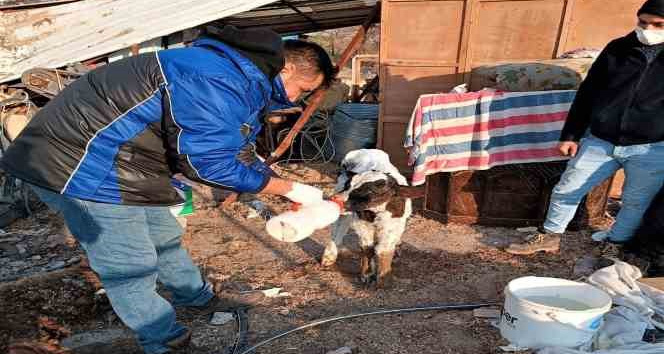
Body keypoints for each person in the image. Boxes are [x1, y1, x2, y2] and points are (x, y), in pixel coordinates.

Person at [0, 26, 334, 353]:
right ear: (286, 67)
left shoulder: (239, 80)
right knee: (130, 264)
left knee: (163, 235)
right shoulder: (216, 78)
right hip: (81, 165)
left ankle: (196, 296)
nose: (296, 99)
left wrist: (277, 183)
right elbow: (207, 164)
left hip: (129, 161)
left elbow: (238, 147)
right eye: (302, 89)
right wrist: (288, 187)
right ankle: (163, 340)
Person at [506, 0, 664, 255]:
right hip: (601, 139)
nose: (647, 29)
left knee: (635, 202)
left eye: (658, 25)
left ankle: (616, 244)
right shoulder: (618, 49)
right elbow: (588, 92)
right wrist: (571, 134)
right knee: (568, 188)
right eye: (642, 22)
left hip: (651, 147)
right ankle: (550, 236)